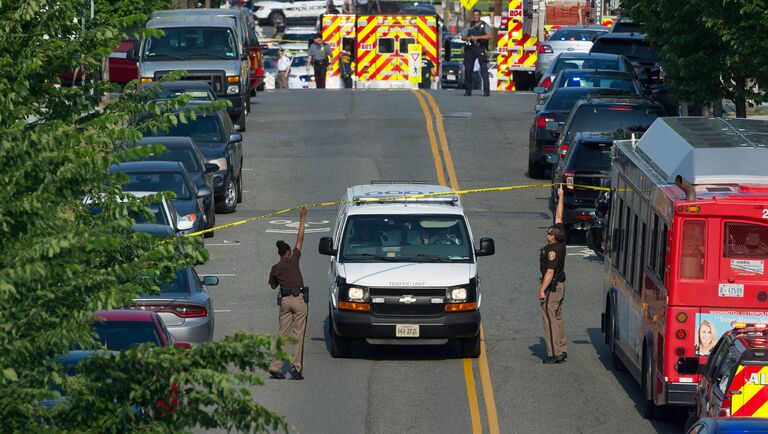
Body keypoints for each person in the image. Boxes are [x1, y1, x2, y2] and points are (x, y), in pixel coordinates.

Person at [268, 206, 309, 380]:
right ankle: (296, 368)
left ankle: (276, 367)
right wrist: (302, 218)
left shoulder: (276, 268)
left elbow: (272, 286)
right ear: (289, 252)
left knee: (282, 334)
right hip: (299, 300)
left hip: (284, 301)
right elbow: (300, 238)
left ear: (279, 254)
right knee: (298, 334)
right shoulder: (294, 259)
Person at [539, 187, 567, 364]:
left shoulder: (553, 251)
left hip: (553, 286)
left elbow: (549, 272)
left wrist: (542, 290)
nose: (547, 234)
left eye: (550, 233)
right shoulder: (561, 240)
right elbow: (559, 216)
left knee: (549, 318)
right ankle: (562, 348)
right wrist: (561, 197)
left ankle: (554, 353)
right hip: (561, 285)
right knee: (557, 317)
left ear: (554, 238)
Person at [460, 9, 491, 96]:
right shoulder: (469, 25)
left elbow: (489, 35)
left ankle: (486, 91)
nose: (475, 17)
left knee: (484, 70)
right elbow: (462, 37)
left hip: (480, 48)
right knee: (468, 70)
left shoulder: (484, 25)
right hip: (470, 49)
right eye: (474, 15)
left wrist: (478, 37)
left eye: (477, 15)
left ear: (480, 16)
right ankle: (468, 91)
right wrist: (468, 38)